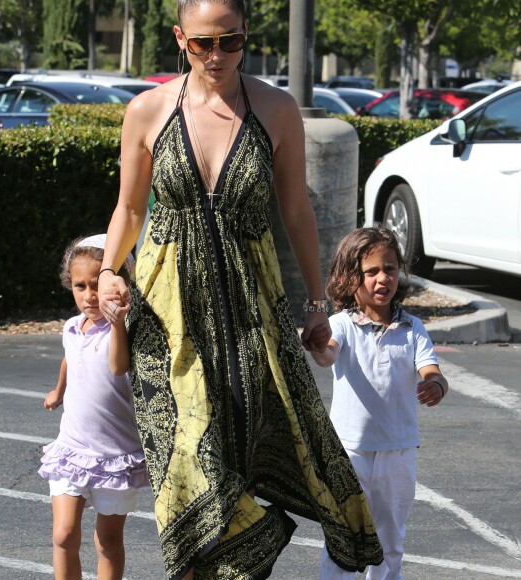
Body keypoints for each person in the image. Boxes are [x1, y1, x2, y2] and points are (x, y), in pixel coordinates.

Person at [99, 0, 383, 578]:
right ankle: (240, 548)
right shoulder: (148, 111)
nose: (217, 55)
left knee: (249, 450)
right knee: (185, 464)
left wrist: (316, 302)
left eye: (230, 42)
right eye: (204, 42)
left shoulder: (275, 109)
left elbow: (297, 210)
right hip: (166, 314)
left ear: (246, 35)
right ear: (181, 39)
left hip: (252, 312)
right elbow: (129, 208)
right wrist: (108, 271)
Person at [311, 227, 449, 580]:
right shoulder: (341, 324)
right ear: (349, 278)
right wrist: (316, 344)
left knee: (390, 542)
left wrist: (435, 385)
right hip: (348, 452)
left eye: (389, 268)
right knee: (342, 539)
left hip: (398, 453)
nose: (382, 278)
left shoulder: (412, 327)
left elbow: (432, 371)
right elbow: (328, 355)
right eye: (370, 271)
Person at [39, 234, 148, 580]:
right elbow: (71, 358)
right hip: (71, 449)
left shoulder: (126, 330)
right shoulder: (72, 327)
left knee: (108, 543)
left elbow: (117, 366)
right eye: (79, 286)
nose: (89, 296)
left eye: (96, 285)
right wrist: (59, 390)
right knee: (64, 534)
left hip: (114, 456)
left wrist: (117, 324)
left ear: (117, 285)